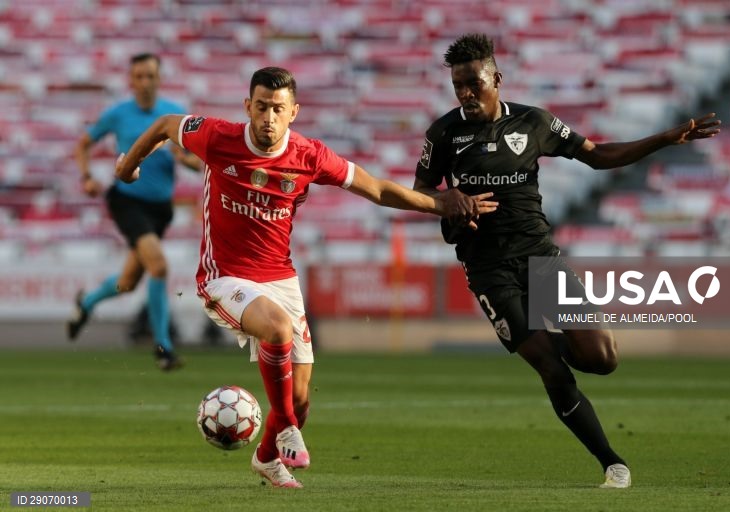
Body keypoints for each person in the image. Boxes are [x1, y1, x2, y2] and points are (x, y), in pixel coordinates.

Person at [114, 66, 497, 488]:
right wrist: (127, 168)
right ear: (248, 107)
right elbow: (167, 125)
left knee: (298, 400)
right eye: (260, 107)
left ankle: (266, 458)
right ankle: (284, 433)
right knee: (277, 334)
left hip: (280, 277)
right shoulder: (218, 137)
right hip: (224, 277)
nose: (268, 118)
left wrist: (439, 205)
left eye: (277, 109)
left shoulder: (309, 156)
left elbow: (376, 189)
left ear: (293, 112)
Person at [413, 33, 721, 489]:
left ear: (496, 78)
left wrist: (664, 139)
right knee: (550, 367)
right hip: (489, 270)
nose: (465, 94)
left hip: (541, 259)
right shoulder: (443, 134)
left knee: (601, 358)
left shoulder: (534, 123)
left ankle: (532, 337)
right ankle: (612, 463)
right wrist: (447, 199)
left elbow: (596, 156)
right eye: (457, 85)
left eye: (473, 83)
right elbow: (419, 191)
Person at [69, 53, 201, 371]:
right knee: (158, 266)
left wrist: (187, 160)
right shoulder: (118, 114)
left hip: (160, 209)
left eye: (150, 76)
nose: (144, 82)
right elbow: (83, 144)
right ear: (130, 81)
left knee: (129, 280)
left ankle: (86, 303)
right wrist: (87, 177)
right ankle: (163, 348)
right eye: (138, 76)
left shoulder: (176, 115)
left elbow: (198, 161)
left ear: (159, 79)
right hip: (127, 201)